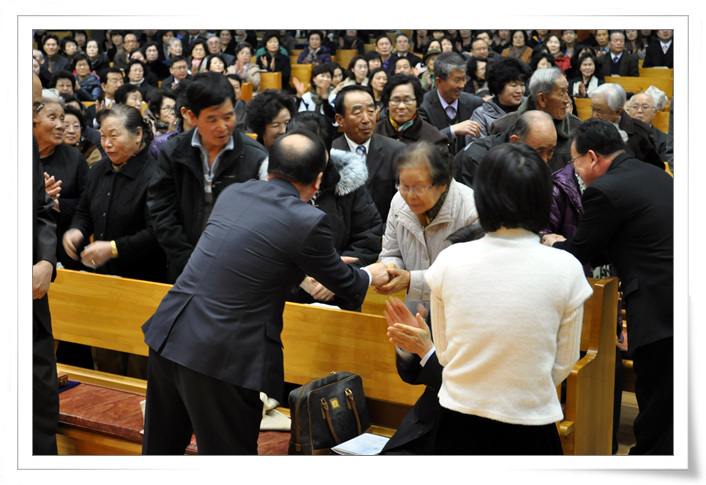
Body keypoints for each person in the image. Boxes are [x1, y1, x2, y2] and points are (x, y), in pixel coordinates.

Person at [141, 130, 391, 455]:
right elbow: (348, 283)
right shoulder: (308, 220)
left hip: (170, 333)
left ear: (270, 166)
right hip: (220, 354)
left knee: (160, 451)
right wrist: (371, 274)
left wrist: (312, 263)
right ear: (318, 180)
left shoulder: (234, 193)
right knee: (230, 458)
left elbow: (249, 256)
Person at [427, 142, 591, 455]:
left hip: (458, 419)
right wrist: (523, 387)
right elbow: (563, 363)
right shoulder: (566, 267)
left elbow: (445, 353)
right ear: (543, 198)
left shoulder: (450, 259)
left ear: (483, 196)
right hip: (531, 421)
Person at [542, 118, 673, 455]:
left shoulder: (605, 189)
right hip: (680, 298)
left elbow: (580, 252)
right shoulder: (655, 173)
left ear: (591, 157)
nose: (576, 171)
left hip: (657, 310)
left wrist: (553, 243)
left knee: (657, 412)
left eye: (575, 162)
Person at [62, 104, 166, 377]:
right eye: (103, 136)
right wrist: (77, 230)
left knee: (139, 365)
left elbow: (157, 234)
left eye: (114, 136)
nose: (106, 144)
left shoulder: (156, 175)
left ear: (138, 135)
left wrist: (113, 248)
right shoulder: (99, 170)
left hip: (142, 284)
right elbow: (84, 212)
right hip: (102, 282)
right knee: (104, 359)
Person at [147, 72, 267, 282]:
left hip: (238, 273)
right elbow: (161, 211)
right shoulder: (173, 152)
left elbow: (264, 222)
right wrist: (189, 261)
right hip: (184, 268)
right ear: (191, 117)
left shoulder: (255, 157)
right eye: (212, 119)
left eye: (228, 116)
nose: (222, 126)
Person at [266, 111, 383, 311]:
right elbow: (265, 244)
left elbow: (369, 237)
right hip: (283, 298)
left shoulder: (350, 184)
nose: (309, 159)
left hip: (340, 297)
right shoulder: (271, 188)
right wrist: (297, 278)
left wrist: (338, 276)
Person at [376, 139, 479, 316]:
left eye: (418, 188)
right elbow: (391, 252)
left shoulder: (472, 211)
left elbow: (470, 276)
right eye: (403, 185)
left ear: (442, 184)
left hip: (458, 315)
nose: (410, 196)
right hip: (415, 314)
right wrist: (391, 269)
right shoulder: (398, 202)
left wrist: (412, 281)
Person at [32, 73, 60, 456]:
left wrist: (45, 259)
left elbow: (41, 211)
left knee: (39, 396)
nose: (34, 117)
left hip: (32, 292)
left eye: (36, 107)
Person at [332, 85, 405, 225]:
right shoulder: (330, 154)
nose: (366, 119)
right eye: (357, 113)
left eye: (371, 111)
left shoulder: (397, 151)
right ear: (340, 119)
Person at [33, 89, 89, 271]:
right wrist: (38, 199)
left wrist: (56, 204)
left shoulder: (75, 158)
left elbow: (88, 205)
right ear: (33, 119)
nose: (61, 126)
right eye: (53, 117)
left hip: (66, 251)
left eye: (62, 119)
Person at [489, 67, 581, 172]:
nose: (567, 100)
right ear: (542, 99)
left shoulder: (577, 128)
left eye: (567, 91)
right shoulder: (503, 127)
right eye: (561, 93)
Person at [455, 110, 557, 188]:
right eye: (539, 152)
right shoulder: (476, 160)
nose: (545, 160)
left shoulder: (538, 157)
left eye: (550, 151)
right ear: (515, 142)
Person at [418, 52, 483, 155]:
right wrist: (452, 130)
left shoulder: (475, 103)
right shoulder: (422, 106)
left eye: (464, 79)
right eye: (457, 80)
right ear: (438, 81)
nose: (462, 85)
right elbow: (422, 143)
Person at [589, 83, 664, 169]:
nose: (594, 115)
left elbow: (655, 168)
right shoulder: (587, 128)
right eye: (592, 109)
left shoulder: (640, 132)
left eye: (600, 112)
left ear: (618, 112)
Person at [374, 74, 447, 148]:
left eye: (407, 100)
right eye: (396, 100)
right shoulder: (374, 132)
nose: (401, 106)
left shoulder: (433, 137)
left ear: (417, 103)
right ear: (387, 104)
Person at [468, 55, 530, 141]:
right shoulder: (482, 115)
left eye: (522, 85)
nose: (519, 90)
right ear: (498, 86)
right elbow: (476, 146)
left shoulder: (531, 107)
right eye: (514, 85)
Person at [627, 91, 673, 172]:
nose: (639, 111)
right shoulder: (619, 134)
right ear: (629, 110)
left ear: (654, 112)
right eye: (635, 107)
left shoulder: (664, 140)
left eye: (645, 107)